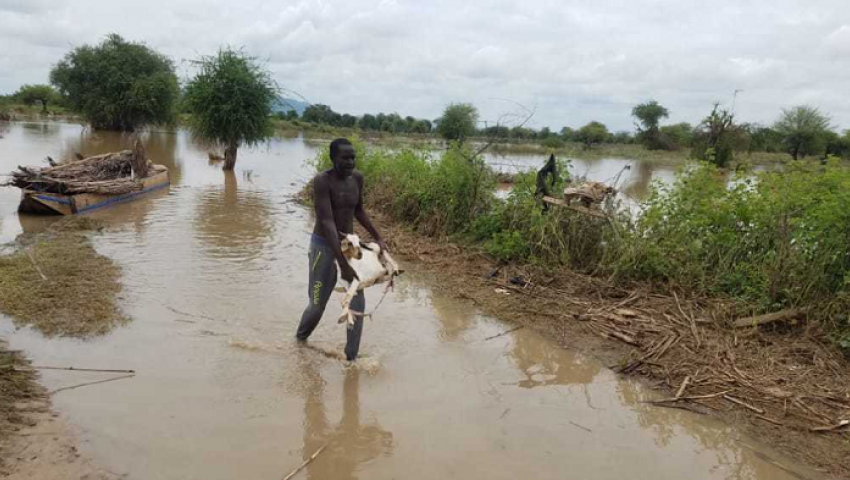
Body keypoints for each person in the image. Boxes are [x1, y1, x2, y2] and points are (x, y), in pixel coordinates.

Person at [296, 138, 388, 361]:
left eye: (353, 157)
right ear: (333, 158)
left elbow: (359, 211)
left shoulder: (357, 178)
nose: (350, 162)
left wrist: (378, 238)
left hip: (349, 246)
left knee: (357, 305)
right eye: (345, 158)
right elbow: (327, 222)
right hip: (323, 247)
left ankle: (351, 359)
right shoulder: (322, 181)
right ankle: (299, 342)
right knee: (317, 305)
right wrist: (343, 265)